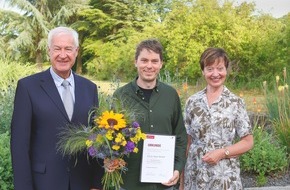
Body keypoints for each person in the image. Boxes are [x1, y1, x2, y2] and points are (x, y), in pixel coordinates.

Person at [10, 26, 104, 190]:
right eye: (57, 49)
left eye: (68, 49)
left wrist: (96, 184)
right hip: (44, 182)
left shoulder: (90, 88)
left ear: (76, 51)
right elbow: (19, 145)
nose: (62, 55)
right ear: (49, 51)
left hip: (81, 182)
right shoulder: (28, 87)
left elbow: (96, 138)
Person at [113, 39, 188, 190]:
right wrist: (110, 159)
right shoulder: (121, 96)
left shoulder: (170, 95)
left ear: (161, 64)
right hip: (130, 183)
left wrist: (177, 168)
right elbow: (111, 137)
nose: (149, 66)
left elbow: (180, 136)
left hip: (164, 183)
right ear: (136, 62)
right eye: (144, 60)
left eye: (154, 61)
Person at [181, 47, 254, 190]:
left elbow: (248, 141)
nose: (215, 74)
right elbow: (187, 144)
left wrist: (222, 152)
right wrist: (182, 184)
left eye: (220, 68)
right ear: (203, 71)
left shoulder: (235, 103)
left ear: (226, 70)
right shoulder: (192, 102)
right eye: (209, 69)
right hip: (195, 177)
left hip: (224, 179)